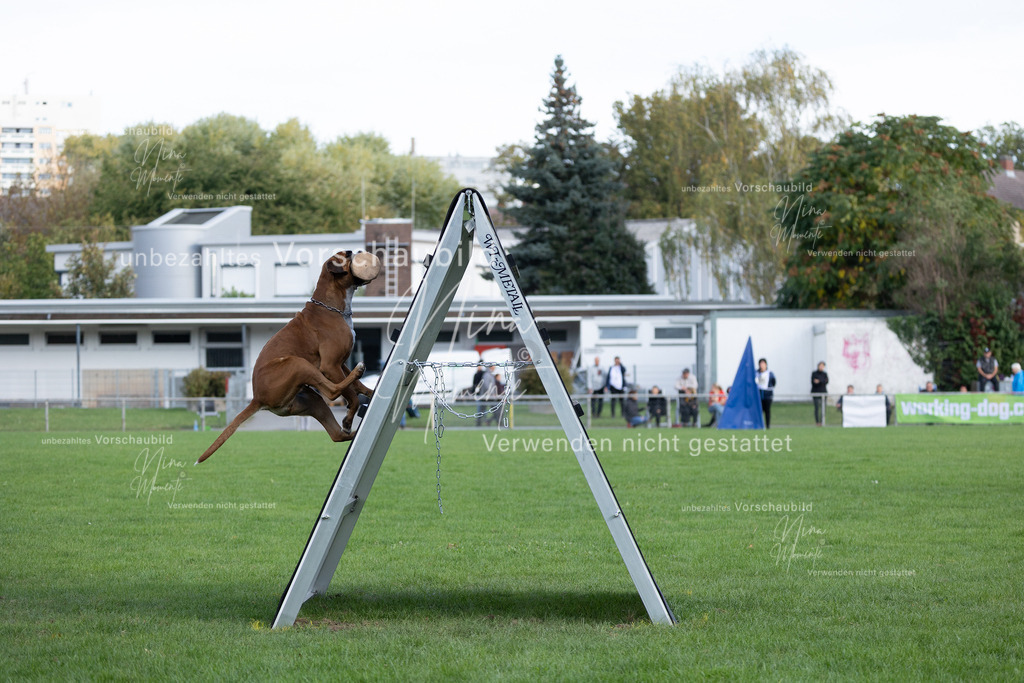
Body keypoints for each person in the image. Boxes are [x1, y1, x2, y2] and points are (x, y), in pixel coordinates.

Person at [756, 358, 776, 428]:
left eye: (763, 363)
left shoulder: (770, 373)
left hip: (767, 395)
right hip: (759, 394)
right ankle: (760, 425)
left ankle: (768, 426)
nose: (762, 365)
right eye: (760, 364)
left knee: (767, 411)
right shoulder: (756, 373)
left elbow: (773, 382)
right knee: (759, 411)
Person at [810, 361, 829, 426]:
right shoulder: (814, 373)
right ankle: (817, 422)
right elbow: (813, 382)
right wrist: (821, 381)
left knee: (823, 408)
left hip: (823, 393)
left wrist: (819, 381)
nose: (821, 367)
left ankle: (822, 421)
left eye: (822, 366)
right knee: (817, 408)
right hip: (816, 393)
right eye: (820, 366)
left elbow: (826, 381)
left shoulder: (824, 374)